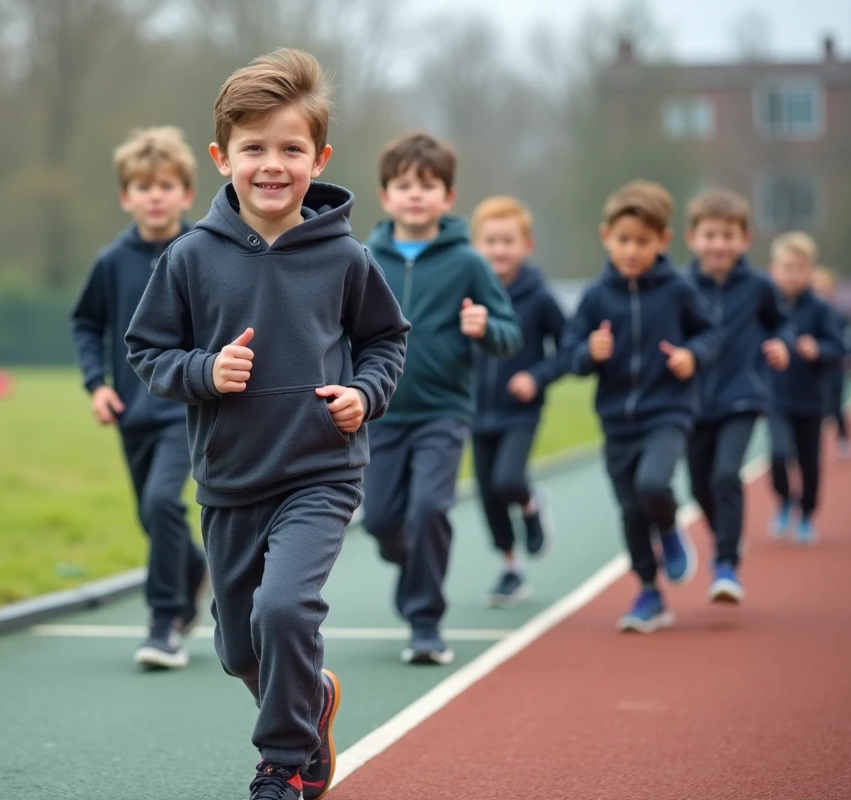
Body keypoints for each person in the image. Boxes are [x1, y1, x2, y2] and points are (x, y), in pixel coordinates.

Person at [125, 49, 411, 800]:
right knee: (238, 649)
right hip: (228, 479)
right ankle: (310, 705)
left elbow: (386, 338)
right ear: (223, 158)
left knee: (284, 609)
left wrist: (365, 393)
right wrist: (202, 372)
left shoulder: (346, 257)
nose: (272, 165)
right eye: (254, 148)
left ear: (319, 159)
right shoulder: (190, 258)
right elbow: (146, 348)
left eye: (291, 149)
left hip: (320, 469)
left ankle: (280, 765)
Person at [362, 131, 521, 665]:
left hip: (444, 411)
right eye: (403, 185)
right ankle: (413, 566)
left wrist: (485, 327)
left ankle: (425, 621)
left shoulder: (469, 263)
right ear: (385, 195)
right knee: (381, 521)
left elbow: (509, 332)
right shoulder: (362, 258)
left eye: (427, 186)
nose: (414, 195)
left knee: (430, 508)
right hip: (378, 411)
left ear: (447, 198)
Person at [70, 125, 206, 669]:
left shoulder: (205, 253)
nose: (155, 195)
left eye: (166, 185)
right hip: (131, 412)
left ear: (186, 193)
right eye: (143, 186)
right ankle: (195, 571)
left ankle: (165, 622)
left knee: (161, 504)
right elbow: (86, 324)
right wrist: (96, 384)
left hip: (187, 409)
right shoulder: (110, 263)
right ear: (126, 196)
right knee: (153, 518)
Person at [562, 180, 720, 634]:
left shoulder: (679, 290)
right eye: (623, 240)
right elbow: (572, 353)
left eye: (643, 241)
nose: (632, 250)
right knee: (631, 511)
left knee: (654, 483)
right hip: (616, 420)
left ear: (663, 241)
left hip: (668, 411)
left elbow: (711, 334)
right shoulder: (595, 297)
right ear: (606, 236)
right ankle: (649, 591)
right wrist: (588, 352)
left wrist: (694, 355)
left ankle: (670, 530)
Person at [683, 188, 791, 604]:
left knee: (727, 474)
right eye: (710, 235)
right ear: (692, 237)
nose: (719, 244)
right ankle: (726, 535)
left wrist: (782, 344)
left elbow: (781, 324)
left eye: (728, 235)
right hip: (691, 401)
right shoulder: (680, 286)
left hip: (743, 396)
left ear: (744, 240)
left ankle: (726, 564)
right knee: (698, 488)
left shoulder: (759, 286)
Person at [467, 196, 567, 607]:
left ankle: (530, 503)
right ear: (476, 246)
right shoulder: (468, 293)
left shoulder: (539, 296)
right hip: (474, 411)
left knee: (508, 481)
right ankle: (510, 568)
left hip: (520, 410)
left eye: (508, 241)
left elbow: (569, 347)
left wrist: (537, 376)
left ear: (527, 246)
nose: (499, 250)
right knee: (487, 494)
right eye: (490, 241)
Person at [767, 233, 844, 545]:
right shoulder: (767, 306)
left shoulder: (819, 309)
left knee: (809, 464)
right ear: (774, 269)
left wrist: (818, 350)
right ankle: (785, 499)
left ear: (810, 271)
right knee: (778, 455)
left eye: (799, 267)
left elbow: (837, 349)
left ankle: (807, 515)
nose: (792, 274)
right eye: (786, 267)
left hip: (811, 401)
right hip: (775, 398)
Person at [811, 266, 851, 458]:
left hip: (834, 371)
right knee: (814, 411)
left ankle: (844, 438)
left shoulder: (839, 317)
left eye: (825, 287)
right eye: (817, 287)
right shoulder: (808, 311)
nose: (821, 291)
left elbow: (844, 344)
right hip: (813, 371)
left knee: (835, 408)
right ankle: (810, 449)